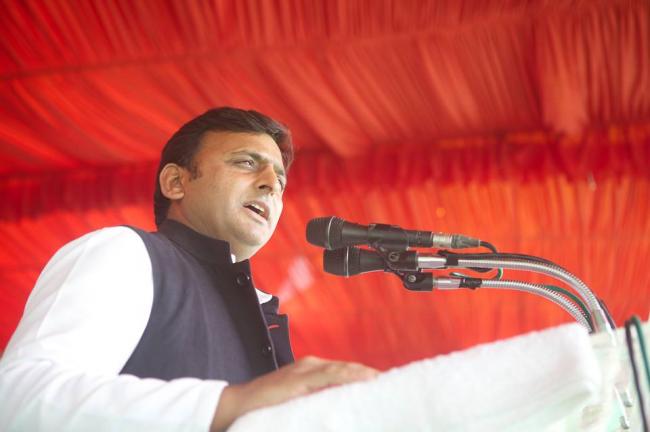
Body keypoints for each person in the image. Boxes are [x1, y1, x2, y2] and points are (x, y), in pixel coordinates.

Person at [0, 107, 377, 431]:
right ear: (176, 182)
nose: (271, 186)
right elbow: (16, 398)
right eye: (246, 163)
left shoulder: (262, 311)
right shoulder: (127, 252)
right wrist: (230, 404)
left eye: (280, 179)